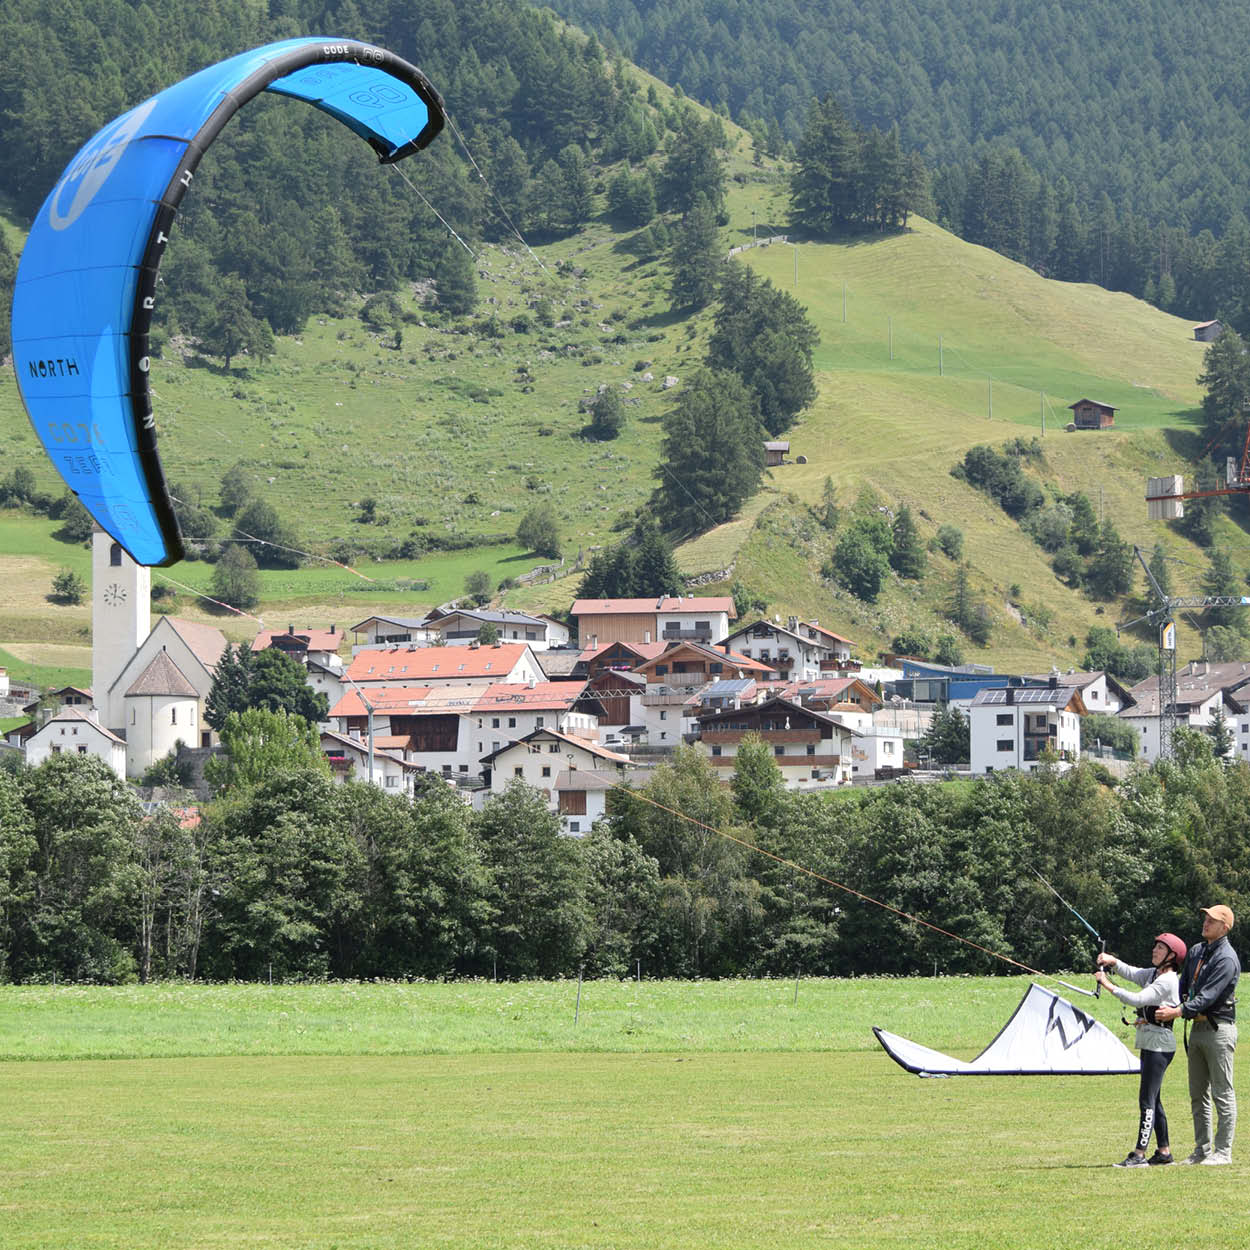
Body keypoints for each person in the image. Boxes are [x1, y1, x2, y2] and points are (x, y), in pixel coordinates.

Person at [1154, 905, 1239, 1165]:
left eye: (1212, 920)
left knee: (1222, 1093)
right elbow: (1183, 987)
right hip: (1196, 1029)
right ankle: (1201, 1150)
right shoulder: (1196, 951)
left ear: (1224, 927)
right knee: (1197, 1093)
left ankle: (1223, 1152)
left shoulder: (1226, 958)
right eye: (1205, 918)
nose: (1206, 923)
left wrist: (1177, 1011)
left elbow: (1208, 996)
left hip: (1218, 1029)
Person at [1095, 933, 1187, 1166]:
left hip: (1159, 1047)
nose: (1154, 950)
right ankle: (1164, 1152)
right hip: (1151, 1044)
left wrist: (1107, 985)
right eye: (1155, 946)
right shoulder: (1155, 974)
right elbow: (1133, 973)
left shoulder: (1167, 981)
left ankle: (1139, 1154)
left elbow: (1138, 999)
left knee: (1146, 1100)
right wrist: (1113, 961)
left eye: (1160, 948)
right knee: (1154, 1100)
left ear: (1171, 956)